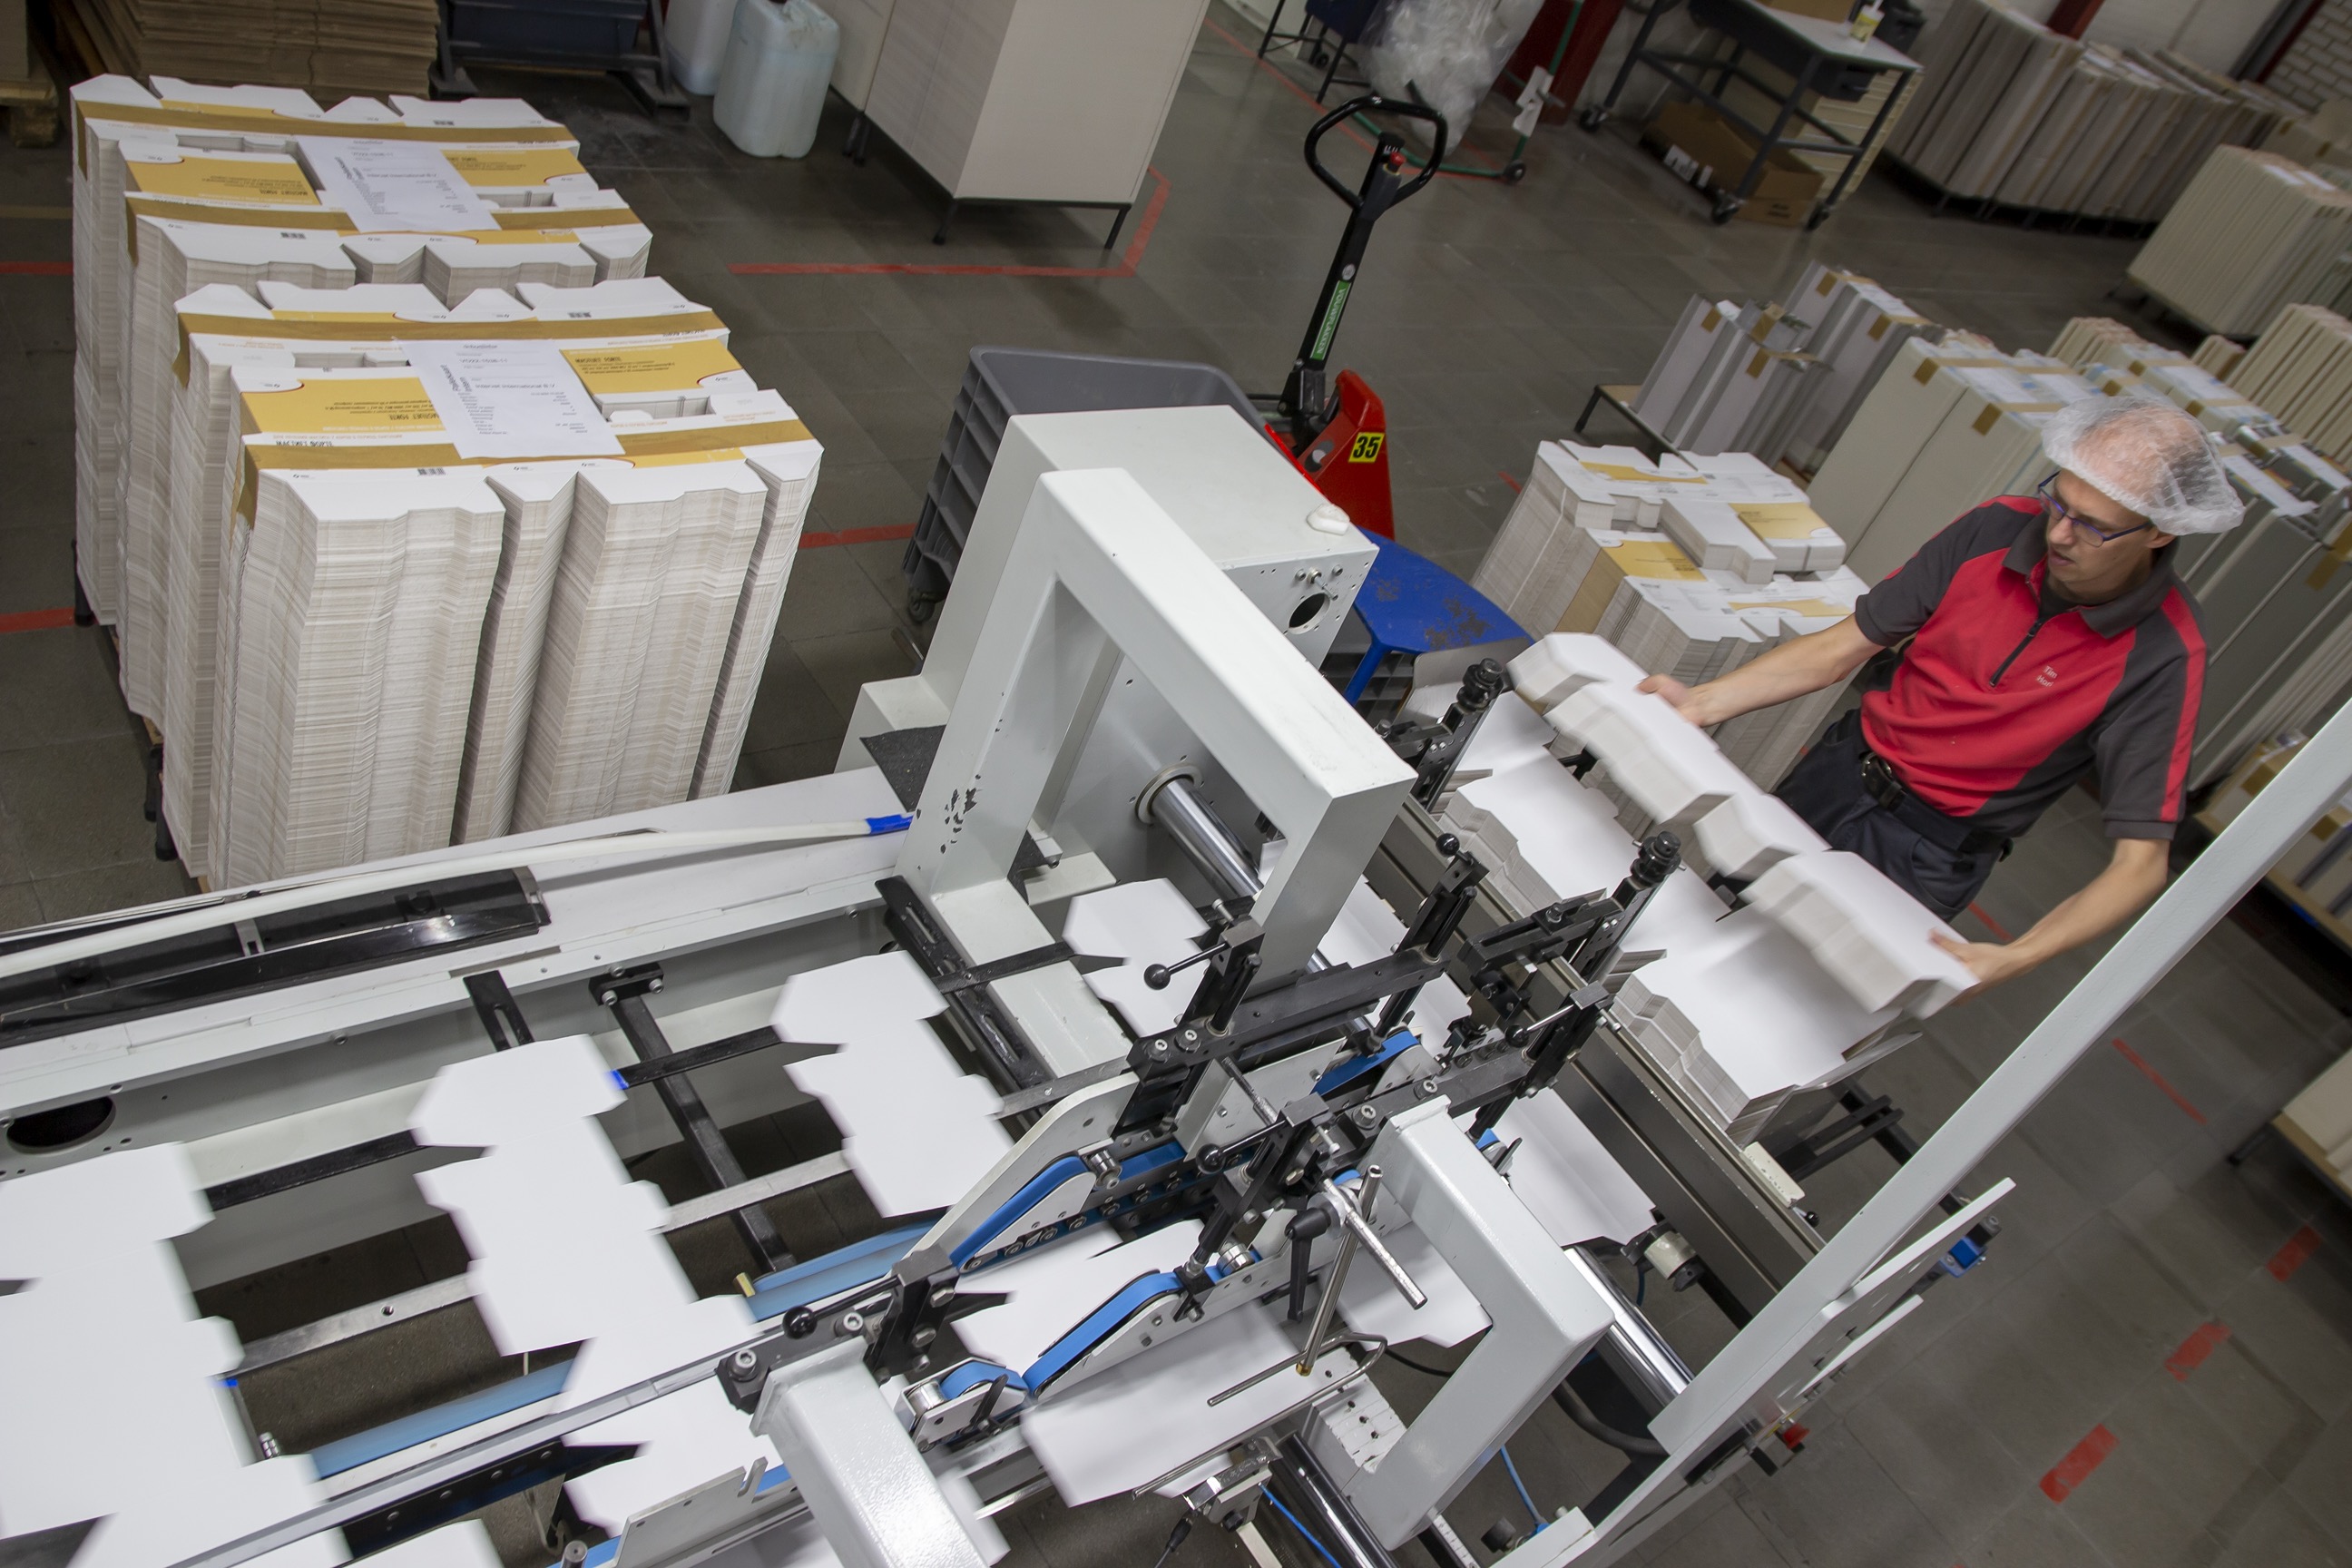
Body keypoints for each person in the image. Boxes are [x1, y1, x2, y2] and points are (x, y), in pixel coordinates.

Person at [1640, 393, 2243, 989]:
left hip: (1927, 852)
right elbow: (1843, 646)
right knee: (1707, 929)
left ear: (2159, 533)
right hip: (1837, 776)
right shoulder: (1996, 527)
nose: (2060, 534)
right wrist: (1702, 703)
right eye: (2059, 502)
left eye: (2093, 527)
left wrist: (2017, 956)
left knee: (1803, 995)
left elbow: (2140, 862)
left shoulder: (2165, 652)